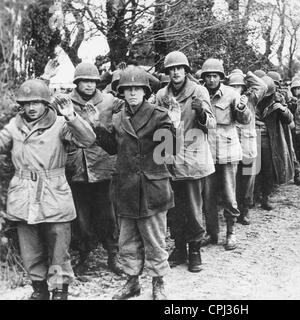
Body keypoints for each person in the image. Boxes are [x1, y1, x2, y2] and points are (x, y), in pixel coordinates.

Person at [0, 79, 96, 300]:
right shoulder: (14, 126)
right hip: (24, 193)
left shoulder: (61, 124)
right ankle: (39, 289)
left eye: (36, 102)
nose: (31, 108)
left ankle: (60, 289)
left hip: (53, 191)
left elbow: (89, 139)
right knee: (29, 247)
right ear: (21, 106)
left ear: (46, 103)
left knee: (58, 246)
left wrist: (72, 116)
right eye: (27, 103)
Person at [92, 66, 179, 300]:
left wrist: (174, 127)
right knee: (127, 240)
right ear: (122, 92)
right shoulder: (119, 118)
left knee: (155, 240)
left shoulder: (160, 115)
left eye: (137, 89)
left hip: (152, 187)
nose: (132, 93)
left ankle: (158, 283)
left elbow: (167, 154)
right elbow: (113, 148)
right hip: (126, 188)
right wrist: (96, 126)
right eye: (127, 89)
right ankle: (132, 282)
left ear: (145, 91)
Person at [156, 51, 216, 272]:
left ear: (186, 70)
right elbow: (156, 123)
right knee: (174, 209)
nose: (175, 72)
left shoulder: (198, 91)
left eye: (179, 68)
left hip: (193, 158)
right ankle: (179, 247)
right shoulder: (161, 94)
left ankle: (195, 250)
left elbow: (211, 124)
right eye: (171, 69)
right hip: (170, 157)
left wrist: (201, 114)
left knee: (192, 208)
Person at [65, 62, 122, 276]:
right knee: (82, 214)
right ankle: (84, 253)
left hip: (103, 163)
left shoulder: (108, 101)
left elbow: (129, 109)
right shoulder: (66, 102)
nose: (88, 85)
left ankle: (112, 254)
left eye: (92, 81)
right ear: (77, 82)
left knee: (108, 212)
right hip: (76, 166)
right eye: (84, 81)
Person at [201, 58, 252, 251]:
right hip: (207, 151)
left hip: (229, 150)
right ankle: (212, 232)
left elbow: (245, 120)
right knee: (208, 196)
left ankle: (231, 232)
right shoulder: (201, 93)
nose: (211, 79)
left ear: (221, 77)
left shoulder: (231, 94)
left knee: (230, 195)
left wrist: (241, 108)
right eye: (208, 76)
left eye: (215, 76)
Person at [228, 70, 267, 225]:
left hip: (248, 144)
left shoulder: (250, 99)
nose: (236, 89)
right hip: (231, 144)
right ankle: (233, 210)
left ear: (244, 87)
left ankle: (245, 211)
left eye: (239, 86)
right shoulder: (226, 98)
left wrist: (247, 74)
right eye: (233, 85)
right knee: (233, 180)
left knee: (248, 180)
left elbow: (262, 86)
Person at [255, 76, 294, 210]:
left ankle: (265, 197)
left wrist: (282, 109)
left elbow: (289, 119)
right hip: (252, 138)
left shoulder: (278, 99)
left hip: (270, 140)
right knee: (252, 171)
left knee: (268, 170)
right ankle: (254, 197)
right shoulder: (252, 98)